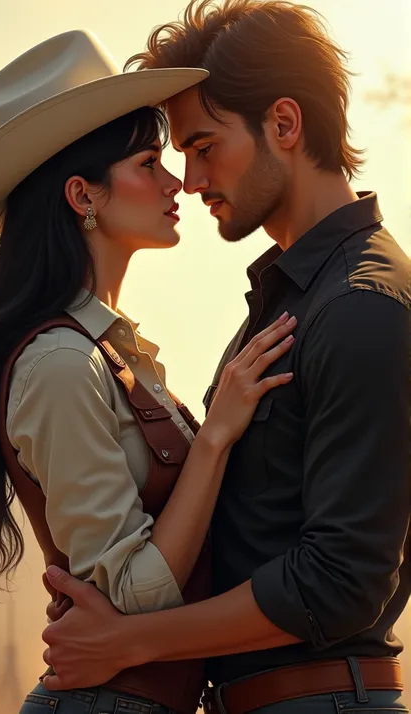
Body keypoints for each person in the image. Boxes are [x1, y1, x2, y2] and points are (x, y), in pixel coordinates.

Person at [38, 2, 411, 713]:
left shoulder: (363, 307)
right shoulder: (286, 300)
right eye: (176, 155)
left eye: (204, 147)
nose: (192, 178)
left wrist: (133, 640)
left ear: (285, 124)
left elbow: (340, 582)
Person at [0, 26, 297, 714]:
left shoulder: (112, 352)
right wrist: (216, 435)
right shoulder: (63, 364)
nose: (178, 184)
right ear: (83, 196)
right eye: (148, 163)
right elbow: (132, 594)